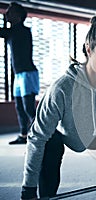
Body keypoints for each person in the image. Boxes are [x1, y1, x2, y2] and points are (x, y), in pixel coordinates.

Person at [20, 13, 96, 200]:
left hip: (92, 134)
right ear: (88, 49)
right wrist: (28, 190)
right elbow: (36, 138)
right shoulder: (62, 88)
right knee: (50, 145)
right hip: (63, 133)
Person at [0, 2, 39, 145]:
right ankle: (24, 135)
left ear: (17, 16)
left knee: (29, 108)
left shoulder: (22, 31)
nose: (6, 14)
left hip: (28, 74)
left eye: (9, 12)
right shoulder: (12, 31)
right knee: (19, 107)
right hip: (19, 75)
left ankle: (43, 134)